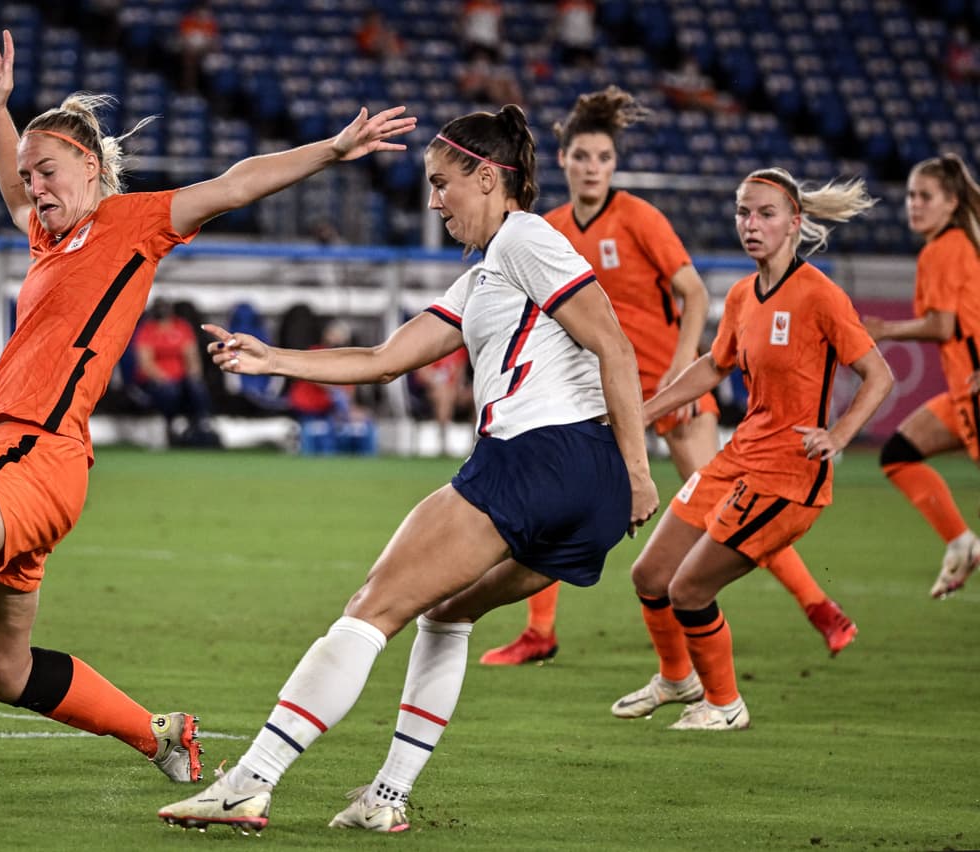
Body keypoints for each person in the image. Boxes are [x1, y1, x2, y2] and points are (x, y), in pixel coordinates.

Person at [0, 29, 414, 783]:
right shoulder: (48, 237)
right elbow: (16, 187)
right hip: (21, 462)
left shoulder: (134, 223)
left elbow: (237, 183)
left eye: (48, 172)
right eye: (28, 178)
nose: (35, 188)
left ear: (92, 164)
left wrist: (333, 149)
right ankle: (164, 735)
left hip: (37, 454)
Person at [157, 104, 659, 833]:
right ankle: (385, 800)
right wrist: (272, 358)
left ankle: (248, 782)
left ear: (488, 178)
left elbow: (614, 345)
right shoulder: (489, 274)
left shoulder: (525, 237)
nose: (432, 202)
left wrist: (643, 471)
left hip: (539, 457)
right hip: (588, 491)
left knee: (372, 608)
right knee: (446, 612)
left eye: (441, 183)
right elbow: (383, 361)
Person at [481, 87, 859, 666]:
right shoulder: (548, 228)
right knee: (557, 502)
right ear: (562, 159)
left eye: (604, 158)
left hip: (670, 386)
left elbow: (692, 291)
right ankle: (540, 631)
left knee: (729, 504)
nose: (592, 168)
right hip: (604, 393)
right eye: (582, 156)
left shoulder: (638, 217)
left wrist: (681, 372)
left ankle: (819, 608)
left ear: (615, 163)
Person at [611, 167, 893, 731]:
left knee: (689, 588)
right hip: (737, 458)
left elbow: (878, 375)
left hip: (789, 477)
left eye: (765, 213)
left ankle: (724, 704)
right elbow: (714, 366)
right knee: (650, 575)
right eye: (743, 212)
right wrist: (645, 410)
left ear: (795, 222)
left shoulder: (820, 295)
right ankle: (676, 678)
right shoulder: (742, 295)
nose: (751, 223)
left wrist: (837, 437)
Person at [861, 154, 980, 598]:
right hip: (963, 392)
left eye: (925, 196)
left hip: (974, 391)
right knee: (898, 453)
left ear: (951, 202)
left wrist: (885, 330)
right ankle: (962, 542)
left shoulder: (945, 249)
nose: (914, 204)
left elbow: (943, 326)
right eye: (910, 195)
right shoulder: (956, 245)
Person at [133, 299, 217, 447]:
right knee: (169, 391)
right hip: (157, 381)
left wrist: (193, 375)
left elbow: (191, 356)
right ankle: (171, 424)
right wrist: (163, 378)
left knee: (196, 387)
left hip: (181, 379)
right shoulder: (147, 329)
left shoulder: (181, 327)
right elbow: (146, 363)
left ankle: (202, 425)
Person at [287, 319, 377, 455]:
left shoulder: (348, 361)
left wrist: (352, 409)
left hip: (331, 412)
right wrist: (338, 394)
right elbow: (318, 376)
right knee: (325, 429)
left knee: (363, 423)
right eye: (334, 335)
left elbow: (347, 393)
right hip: (309, 409)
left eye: (342, 337)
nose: (337, 340)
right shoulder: (314, 354)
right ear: (326, 335)